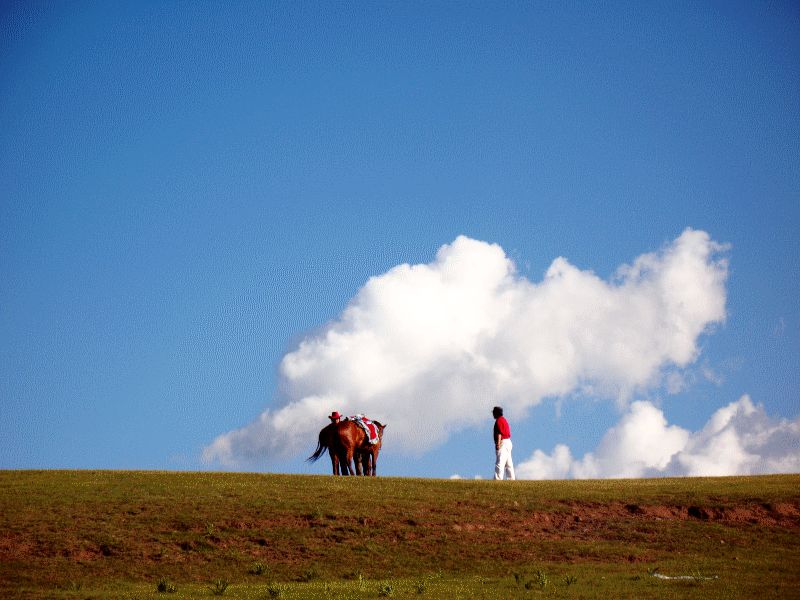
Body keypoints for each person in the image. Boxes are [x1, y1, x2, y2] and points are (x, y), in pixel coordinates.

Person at [492, 406, 515, 480]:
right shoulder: (504, 420)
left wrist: (498, 444)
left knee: (500, 462)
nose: (493, 414)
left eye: (493, 412)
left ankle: (498, 479)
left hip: (503, 442)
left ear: (496, 413)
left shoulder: (498, 420)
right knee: (509, 463)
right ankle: (511, 479)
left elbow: (499, 433)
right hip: (508, 442)